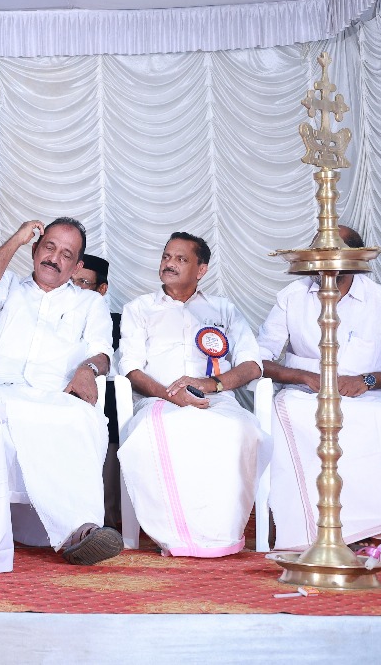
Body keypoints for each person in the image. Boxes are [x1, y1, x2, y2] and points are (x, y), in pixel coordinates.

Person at [256, 226, 381, 550]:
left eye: (331, 255)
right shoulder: (292, 297)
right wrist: (302, 377)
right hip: (304, 397)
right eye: (317, 254)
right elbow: (257, 359)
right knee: (288, 414)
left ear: (354, 260)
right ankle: (303, 531)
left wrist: (367, 380)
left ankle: (361, 530)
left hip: (368, 399)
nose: (321, 264)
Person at [0, 217, 119, 565]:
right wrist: (17, 239)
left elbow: (102, 352)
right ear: (35, 249)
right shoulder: (9, 287)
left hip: (53, 396)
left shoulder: (90, 304)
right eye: (49, 247)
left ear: (77, 266)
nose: (54, 258)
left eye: (67, 254)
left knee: (84, 419)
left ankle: (83, 530)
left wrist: (87, 369)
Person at [117, 232, 264, 557]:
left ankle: (222, 533)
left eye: (181, 259)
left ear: (201, 269)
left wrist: (213, 384)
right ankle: (175, 535)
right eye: (166, 257)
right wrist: (171, 395)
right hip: (158, 401)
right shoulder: (139, 309)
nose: (169, 264)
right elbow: (130, 369)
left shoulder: (223, 309)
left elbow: (252, 364)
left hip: (217, 401)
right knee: (157, 431)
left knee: (240, 430)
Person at [72, 252, 124, 529]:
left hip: (102, 391)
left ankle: (107, 514)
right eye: (71, 282)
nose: (76, 289)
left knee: (112, 400)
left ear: (102, 289)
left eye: (84, 283)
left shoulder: (118, 322)